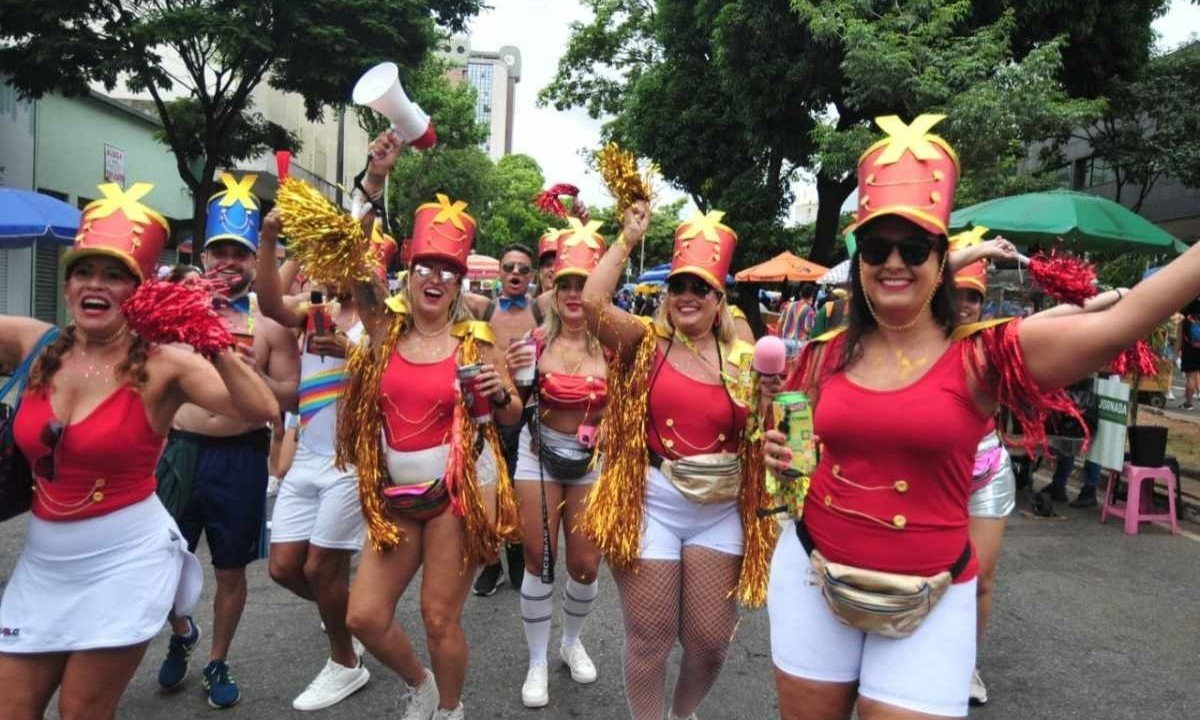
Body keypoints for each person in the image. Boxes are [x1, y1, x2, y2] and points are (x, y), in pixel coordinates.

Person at [762, 113, 1200, 720]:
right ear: (859, 260)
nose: (894, 261)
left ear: (942, 261)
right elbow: (793, 443)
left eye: (913, 248)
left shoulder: (985, 354)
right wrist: (781, 455)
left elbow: (1123, 323)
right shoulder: (822, 354)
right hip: (811, 572)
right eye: (877, 246)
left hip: (933, 595)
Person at [0, 183, 278, 720]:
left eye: (114, 275)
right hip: (44, 561)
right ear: (67, 287)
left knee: (81, 711)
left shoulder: (163, 364)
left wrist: (212, 344)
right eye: (84, 272)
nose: (95, 284)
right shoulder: (34, 346)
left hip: (123, 560)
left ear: (140, 290)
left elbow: (260, 406)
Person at [336, 130, 522, 720]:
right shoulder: (385, 329)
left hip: (455, 498)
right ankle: (417, 682)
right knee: (363, 616)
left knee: (440, 616)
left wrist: (500, 392)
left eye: (447, 269)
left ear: (460, 282)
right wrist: (374, 179)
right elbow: (351, 255)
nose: (435, 278)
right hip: (393, 492)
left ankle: (448, 709)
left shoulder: (476, 340)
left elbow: (512, 412)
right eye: (426, 267)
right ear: (409, 273)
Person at [580, 203, 778, 720]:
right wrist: (626, 238)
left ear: (719, 300)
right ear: (667, 297)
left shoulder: (744, 356)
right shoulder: (645, 343)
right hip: (654, 504)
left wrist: (774, 401)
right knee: (650, 638)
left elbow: (769, 433)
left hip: (719, 510)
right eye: (679, 287)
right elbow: (593, 302)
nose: (687, 296)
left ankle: (682, 713)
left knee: (710, 642)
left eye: (701, 288)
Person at [155, 173, 300, 709]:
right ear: (205, 252)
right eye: (220, 250)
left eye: (240, 253)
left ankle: (216, 658)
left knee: (230, 570)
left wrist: (250, 376)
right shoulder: (176, 309)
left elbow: (289, 396)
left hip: (239, 457)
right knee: (159, 565)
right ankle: (182, 631)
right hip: (180, 451)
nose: (229, 263)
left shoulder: (269, 322)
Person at [250, 210, 396, 710]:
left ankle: (346, 663)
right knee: (284, 568)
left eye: (343, 261)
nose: (330, 270)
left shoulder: (384, 318)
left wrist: (352, 356)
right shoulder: (317, 309)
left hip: (353, 462)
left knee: (320, 569)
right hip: (308, 456)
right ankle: (349, 620)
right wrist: (269, 238)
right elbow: (268, 303)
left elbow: (393, 375)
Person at [504, 220, 608, 709]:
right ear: (553, 287)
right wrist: (503, 383)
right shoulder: (534, 342)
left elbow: (632, 406)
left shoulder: (615, 346)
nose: (572, 293)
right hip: (537, 457)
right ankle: (538, 659)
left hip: (591, 463)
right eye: (565, 283)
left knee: (585, 565)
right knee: (537, 561)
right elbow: (510, 412)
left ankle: (571, 641)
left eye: (582, 285)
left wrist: (614, 426)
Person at [471, 242, 543, 596]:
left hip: (527, 413)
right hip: (486, 414)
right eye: (509, 267)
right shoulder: (483, 309)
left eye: (523, 269)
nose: (515, 273)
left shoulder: (541, 311)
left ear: (530, 277)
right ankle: (490, 562)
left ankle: (515, 554)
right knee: (484, 493)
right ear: (499, 272)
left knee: (515, 489)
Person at [1180, 301, 1200, 410]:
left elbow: (1180, 339)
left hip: (1189, 351)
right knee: (1196, 375)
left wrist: (1176, 353)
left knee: (1190, 378)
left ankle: (1188, 403)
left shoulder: (1186, 322)